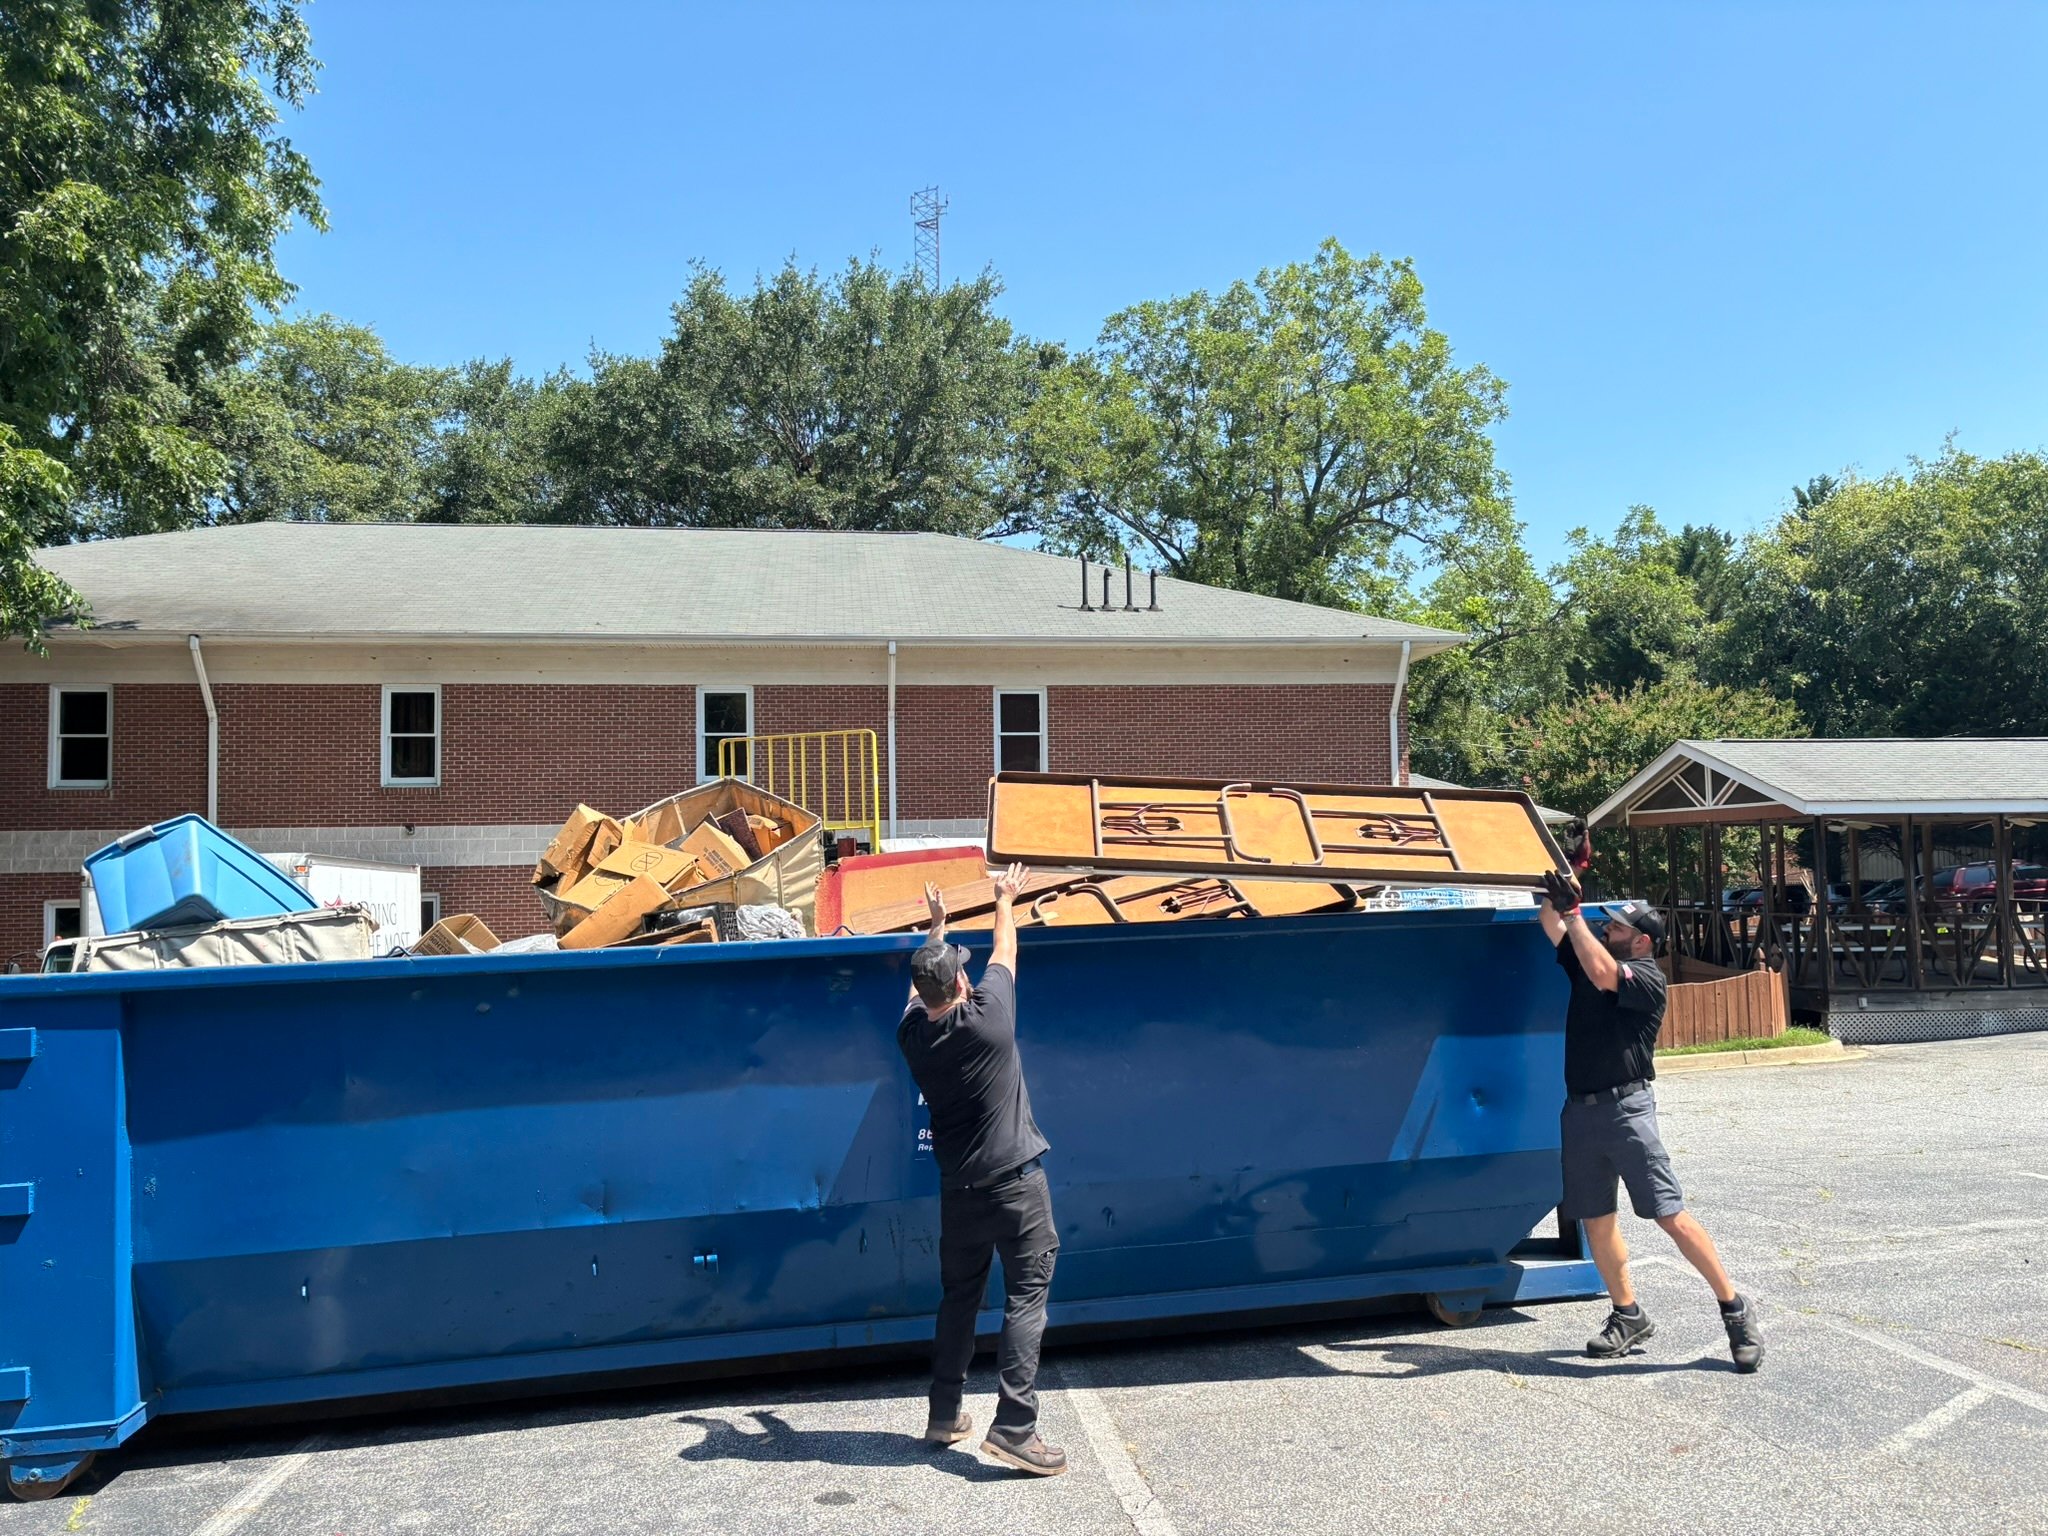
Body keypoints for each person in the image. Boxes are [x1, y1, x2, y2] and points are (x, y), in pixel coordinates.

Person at [1538, 871, 1766, 1373]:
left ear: (1640, 941)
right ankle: (1628, 1315)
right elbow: (1550, 922)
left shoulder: (1647, 979)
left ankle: (1735, 1310)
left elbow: (1602, 973)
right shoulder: (1587, 958)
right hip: (1579, 1111)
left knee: (1669, 1214)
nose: (1608, 930)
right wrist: (1559, 882)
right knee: (1595, 1220)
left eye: (1617, 928)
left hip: (1627, 1111)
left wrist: (1576, 915)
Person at [897, 862, 1066, 1475]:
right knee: (1026, 1297)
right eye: (961, 970)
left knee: (959, 1297)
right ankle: (1015, 1429)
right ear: (961, 986)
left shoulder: (912, 1036)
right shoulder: (990, 1018)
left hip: (959, 1191)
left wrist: (936, 927)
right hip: (1016, 1183)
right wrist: (1005, 898)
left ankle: (945, 1415)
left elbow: (922, 988)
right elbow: (1007, 947)